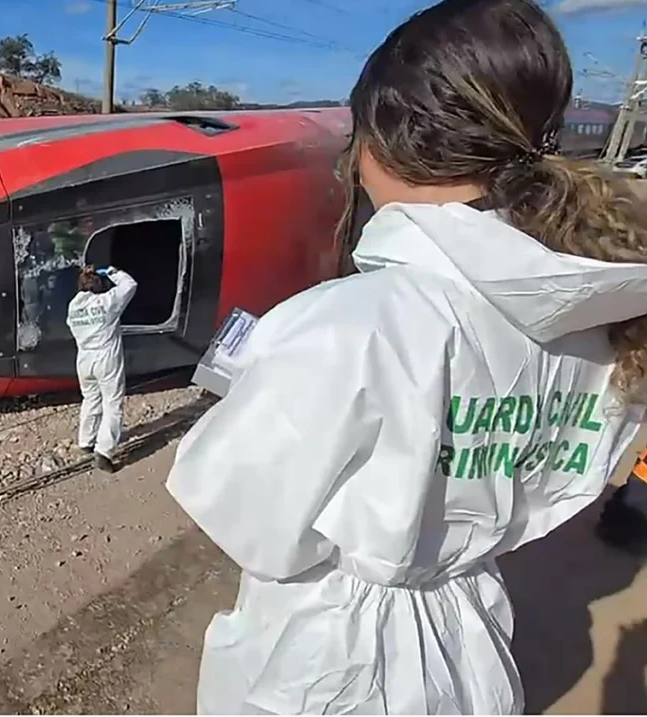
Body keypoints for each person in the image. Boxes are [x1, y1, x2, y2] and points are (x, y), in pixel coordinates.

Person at [165, 0, 647, 713]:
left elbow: (253, 522)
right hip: (473, 639)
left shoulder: (343, 326)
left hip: (328, 665)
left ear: (385, 140)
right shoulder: (593, 322)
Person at [66, 265, 138, 473]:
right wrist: (112, 271)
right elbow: (130, 285)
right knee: (113, 404)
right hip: (106, 358)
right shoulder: (108, 302)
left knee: (90, 399)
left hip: (84, 359)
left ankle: (86, 441)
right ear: (100, 286)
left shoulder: (73, 307)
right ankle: (104, 451)